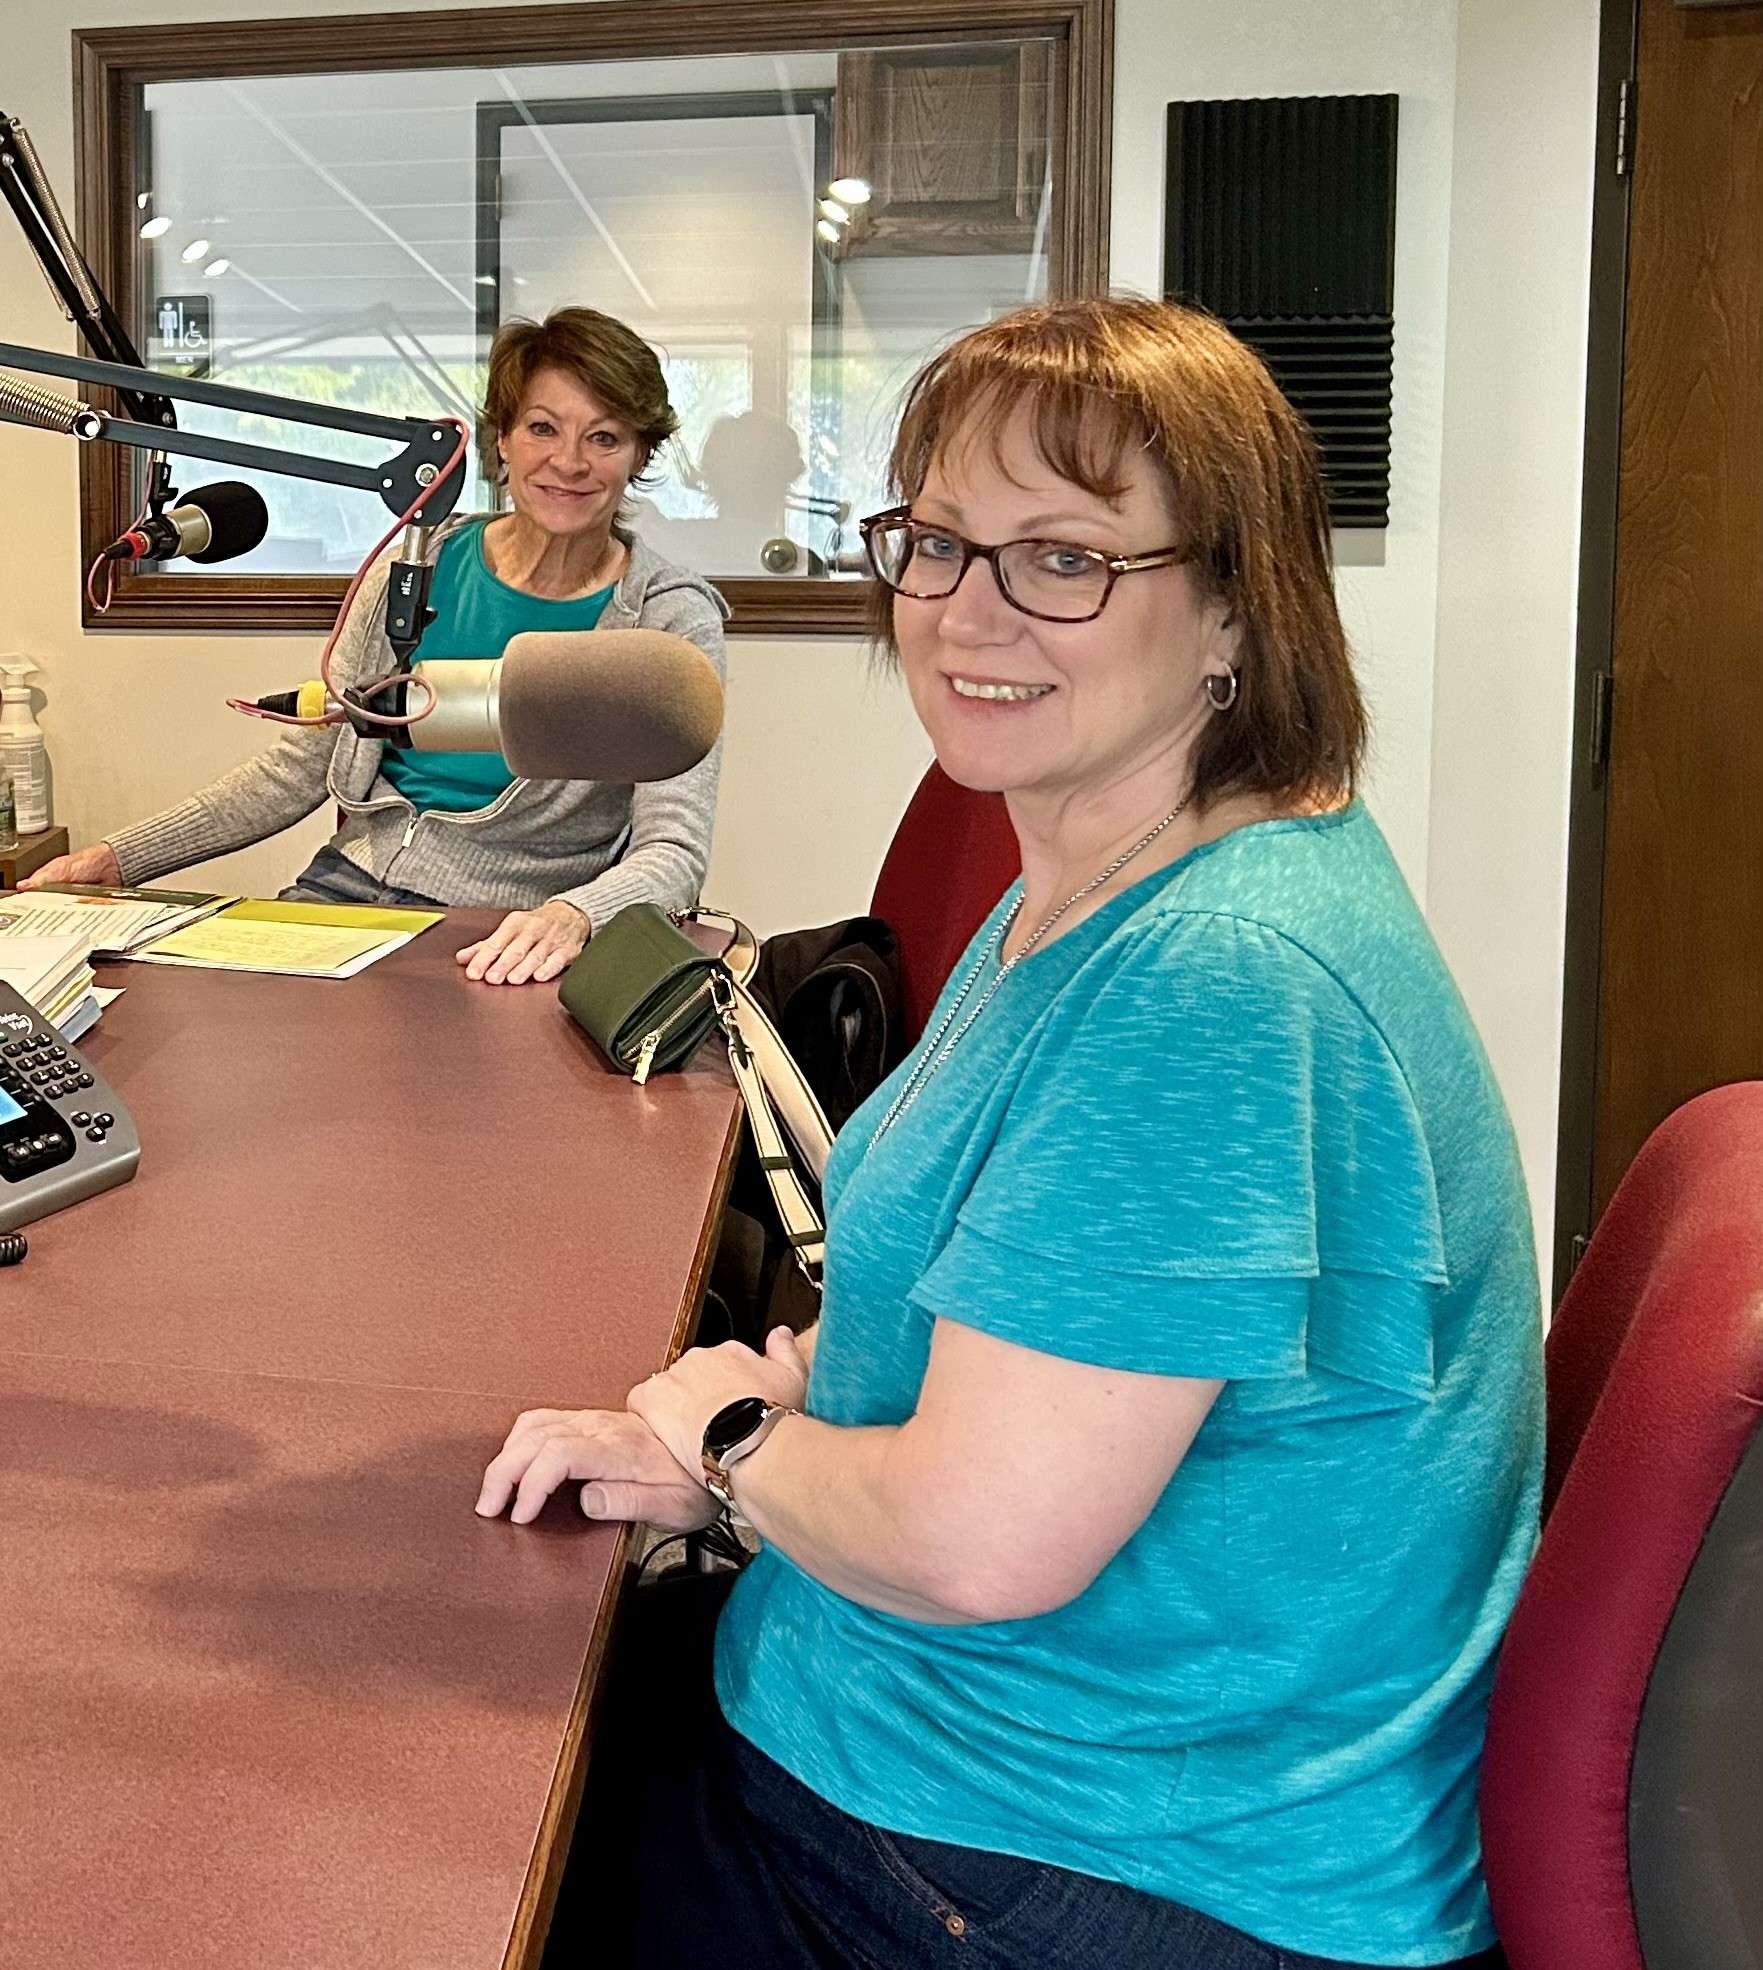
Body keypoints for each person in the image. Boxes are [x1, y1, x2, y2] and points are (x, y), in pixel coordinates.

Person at [475, 297, 1542, 1969]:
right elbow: (988, 1334)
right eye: (937, 544)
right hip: (1013, 1760)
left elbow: (977, 1544)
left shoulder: (1212, 977)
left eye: (1062, 558)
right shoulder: (1099, 867)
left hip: (1078, 1859)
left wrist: (736, 1448)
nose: (967, 613)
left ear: (1230, 612)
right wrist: (728, 1462)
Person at [27, 308, 728, 987]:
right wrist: (118, 859)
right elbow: (305, 764)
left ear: (640, 454)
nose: (569, 462)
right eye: (543, 428)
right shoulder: (420, 562)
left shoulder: (666, 618)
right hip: (347, 895)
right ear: (502, 440)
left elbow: (673, 848)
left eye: (603, 438)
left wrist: (578, 913)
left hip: (513, 926)